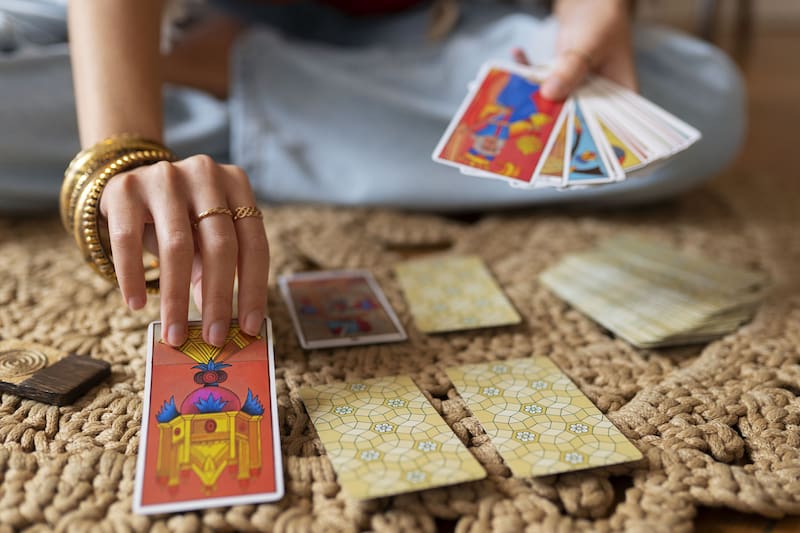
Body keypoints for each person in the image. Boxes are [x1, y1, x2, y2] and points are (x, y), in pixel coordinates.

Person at [0, 0, 745, 348]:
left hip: (427, 25)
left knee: (699, 105)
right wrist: (123, 147)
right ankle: (289, 123)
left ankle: (219, 81)